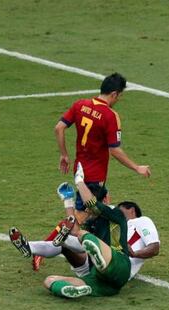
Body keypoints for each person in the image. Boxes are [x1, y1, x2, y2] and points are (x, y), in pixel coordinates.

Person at [34, 73, 152, 271]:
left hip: (79, 170)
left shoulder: (80, 105)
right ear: (114, 94)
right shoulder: (110, 116)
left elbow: (59, 128)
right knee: (78, 220)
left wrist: (64, 154)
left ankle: (85, 248)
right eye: (120, 95)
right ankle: (43, 249)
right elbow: (114, 150)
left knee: (101, 205)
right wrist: (137, 167)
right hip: (93, 177)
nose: (119, 99)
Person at [10, 184, 160, 282]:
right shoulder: (107, 222)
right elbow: (77, 231)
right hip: (91, 267)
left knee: (74, 239)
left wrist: (134, 253)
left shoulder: (141, 221)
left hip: (118, 266)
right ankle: (29, 247)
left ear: (131, 210)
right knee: (70, 240)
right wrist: (70, 203)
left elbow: (154, 248)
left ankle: (63, 240)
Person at [35, 164, 134, 299]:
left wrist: (79, 180)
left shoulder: (115, 214)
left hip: (119, 265)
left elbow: (91, 203)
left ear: (104, 200)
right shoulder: (91, 222)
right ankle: (72, 289)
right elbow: (73, 230)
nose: (87, 210)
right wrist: (68, 201)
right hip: (103, 282)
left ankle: (101, 262)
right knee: (49, 280)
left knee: (83, 235)